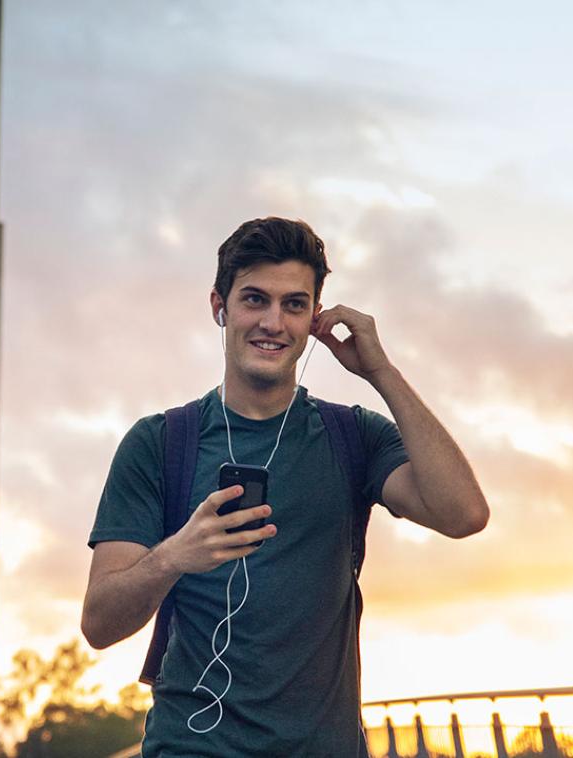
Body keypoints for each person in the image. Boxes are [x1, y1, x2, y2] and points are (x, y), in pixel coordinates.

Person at [81, 217, 490, 757]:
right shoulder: (159, 443)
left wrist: (381, 372)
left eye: (294, 305)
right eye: (254, 299)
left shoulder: (355, 436)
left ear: (314, 318)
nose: (273, 322)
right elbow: (100, 624)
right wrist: (175, 556)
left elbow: (464, 514)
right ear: (218, 307)